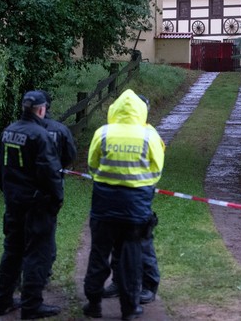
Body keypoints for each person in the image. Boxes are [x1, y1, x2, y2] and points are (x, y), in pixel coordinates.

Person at [83, 89, 165, 320]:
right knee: (131, 255)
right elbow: (156, 169)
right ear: (141, 111)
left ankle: (94, 303)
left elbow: (92, 164)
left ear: (115, 109)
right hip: (136, 206)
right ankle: (130, 309)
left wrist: (108, 179)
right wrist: (139, 184)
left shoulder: (103, 133)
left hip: (104, 203)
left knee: (99, 253)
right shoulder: (149, 136)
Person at [0, 91, 64, 319]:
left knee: (12, 251)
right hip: (36, 206)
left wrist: (10, 193)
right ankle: (31, 305)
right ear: (42, 109)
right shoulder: (40, 135)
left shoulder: (9, 131)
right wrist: (56, 200)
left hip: (14, 203)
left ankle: (2, 300)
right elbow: (50, 173)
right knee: (37, 254)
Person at [103, 95, 161, 305]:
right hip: (117, 196)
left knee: (142, 240)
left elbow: (157, 167)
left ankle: (149, 285)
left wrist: (143, 187)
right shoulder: (113, 131)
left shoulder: (149, 134)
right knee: (118, 240)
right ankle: (119, 282)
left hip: (138, 197)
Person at [38, 90, 77, 276]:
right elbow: (70, 155)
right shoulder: (60, 130)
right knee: (48, 226)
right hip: (53, 185)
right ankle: (45, 268)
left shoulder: (17, 129)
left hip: (24, 188)